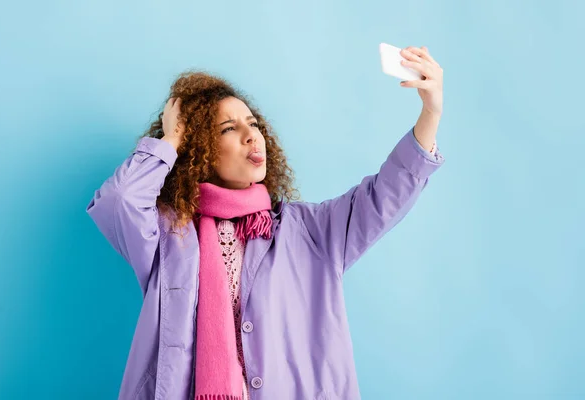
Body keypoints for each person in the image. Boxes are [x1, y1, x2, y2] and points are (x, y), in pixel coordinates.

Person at [86, 45, 445, 400]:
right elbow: (120, 200)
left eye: (253, 123)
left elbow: (384, 196)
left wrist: (430, 114)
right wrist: (172, 139)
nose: (251, 135)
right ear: (200, 150)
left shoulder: (311, 231)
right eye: (228, 128)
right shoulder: (169, 236)